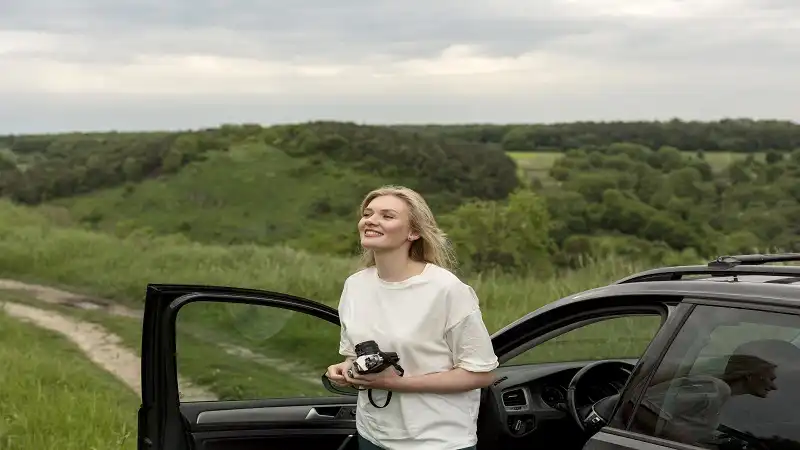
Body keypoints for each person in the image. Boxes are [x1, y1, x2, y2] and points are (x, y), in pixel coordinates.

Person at [325, 185, 499, 450]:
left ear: (414, 232)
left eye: (387, 216)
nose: (371, 220)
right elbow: (355, 354)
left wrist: (397, 384)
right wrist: (346, 369)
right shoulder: (356, 285)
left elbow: (480, 373)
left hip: (435, 441)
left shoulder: (445, 289)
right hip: (372, 435)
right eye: (367, 213)